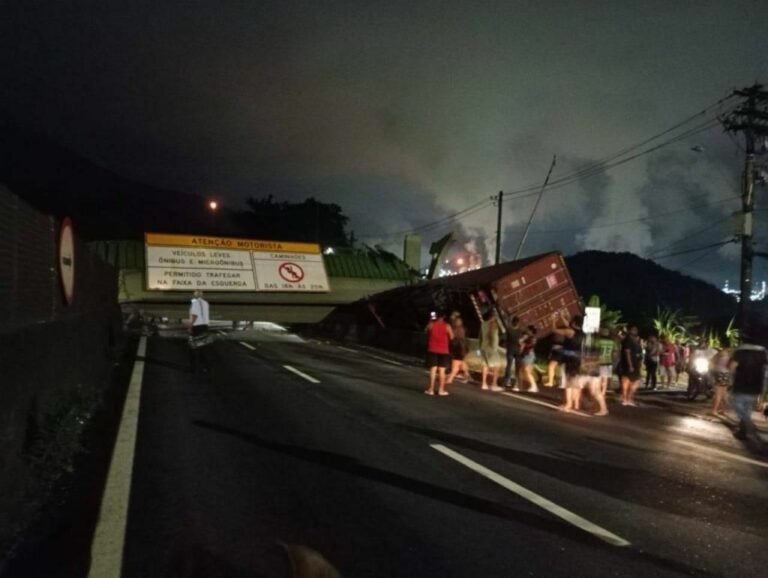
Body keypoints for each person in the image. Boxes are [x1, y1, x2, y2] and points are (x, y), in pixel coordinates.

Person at [728, 337, 767, 440]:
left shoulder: (741, 351)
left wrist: (731, 379)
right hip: (755, 385)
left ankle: (748, 424)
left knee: (735, 403)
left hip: (741, 383)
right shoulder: (763, 353)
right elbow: (765, 371)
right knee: (748, 407)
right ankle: (742, 431)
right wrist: (763, 390)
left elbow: (732, 366)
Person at [552, 312, 585, 412]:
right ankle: (576, 404)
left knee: (568, 383)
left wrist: (553, 320)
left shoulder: (570, 332)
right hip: (579, 359)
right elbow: (568, 326)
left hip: (570, 360)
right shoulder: (582, 333)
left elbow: (554, 330)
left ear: (574, 323)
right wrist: (562, 317)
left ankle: (568, 404)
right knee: (576, 383)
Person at [425, 311, 454, 396]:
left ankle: (430, 389)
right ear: (444, 317)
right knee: (442, 371)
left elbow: (426, 332)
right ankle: (441, 390)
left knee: (433, 370)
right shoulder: (447, 326)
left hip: (432, 349)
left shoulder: (431, 324)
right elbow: (452, 337)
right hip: (444, 350)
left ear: (436, 316)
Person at [479, 310, 503, 391]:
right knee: (497, 366)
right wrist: (494, 347)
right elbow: (492, 335)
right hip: (491, 348)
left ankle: (483, 384)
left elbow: (480, 336)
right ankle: (494, 384)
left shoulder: (483, 324)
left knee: (485, 365)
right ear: (493, 316)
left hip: (483, 347)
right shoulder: (493, 324)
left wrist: (480, 347)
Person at [618, 325, 643, 406]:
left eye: (636, 329)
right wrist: (630, 365)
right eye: (633, 329)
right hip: (629, 364)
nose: (635, 331)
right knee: (628, 380)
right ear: (629, 331)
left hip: (635, 363)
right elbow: (627, 352)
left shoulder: (635, 341)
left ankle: (628, 398)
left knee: (633, 381)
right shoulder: (628, 340)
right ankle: (626, 398)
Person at [188, 290, 211, 373]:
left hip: (197, 327)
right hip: (205, 327)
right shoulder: (206, 303)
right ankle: (205, 367)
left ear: (195, 295)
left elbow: (195, 315)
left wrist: (190, 326)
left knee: (194, 348)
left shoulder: (194, 303)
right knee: (204, 348)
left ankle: (195, 367)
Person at [446, 311, 471, 384]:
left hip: (459, 348)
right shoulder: (459, 328)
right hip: (459, 347)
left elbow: (457, 339)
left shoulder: (458, 329)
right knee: (462, 363)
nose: (451, 318)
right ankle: (467, 375)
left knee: (455, 364)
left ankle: (450, 378)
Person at [501, 315, 523, 388]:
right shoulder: (520, 331)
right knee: (517, 367)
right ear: (518, 323)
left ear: (512, 322)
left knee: (509, 366)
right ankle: (516, 383)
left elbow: (504, 338)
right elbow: (528, 335)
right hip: (518, 350)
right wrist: (521, 342)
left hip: (510, 349)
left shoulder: (509, 330)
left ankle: (507, 380)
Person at [515, 325, 539, 392]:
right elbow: (520, 342)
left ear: (531, 331)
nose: (526, 331)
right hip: (525, 354)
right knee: (522, 370)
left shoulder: (532, 338)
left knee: (527, 370)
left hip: (528, 354)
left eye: (528, 330)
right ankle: (520, 385)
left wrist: (523, 343)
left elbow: (528, 345)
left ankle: (534, 386)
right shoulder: (527, 337)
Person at [595, 327, 616, 396]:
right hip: (608, 361)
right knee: (605, 378)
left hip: (599, 361)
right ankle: (603, 392)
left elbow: (595, 351)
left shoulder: (598, 341)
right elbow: (614, 353)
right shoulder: (612, 342)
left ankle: (598, 391)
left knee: (599, 377)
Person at [710, 348, 731, 415]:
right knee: (724, 394)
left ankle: (714, 410)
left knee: (718, 394)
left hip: (719, 374)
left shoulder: (720, 354)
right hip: (727, 374)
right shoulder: (731, 355)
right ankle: (723, 410)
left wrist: (712, 370)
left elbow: (712, 362)